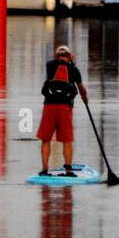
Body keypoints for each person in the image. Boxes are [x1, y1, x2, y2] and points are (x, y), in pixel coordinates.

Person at [37, 44, 88, 176]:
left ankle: (44, 169)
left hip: (49, 106)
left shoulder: (50, 66)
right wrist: (85, 99)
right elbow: (81, 88)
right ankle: (69, 170)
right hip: (65, 108)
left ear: (56, 56)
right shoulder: (74, 70)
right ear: (70, 56)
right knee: (67, 140)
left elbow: (54, 65)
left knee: (46, 139)